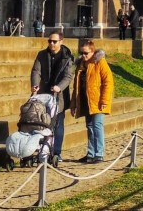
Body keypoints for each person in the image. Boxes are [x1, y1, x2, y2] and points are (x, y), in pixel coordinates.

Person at [30, 32, 74, 165]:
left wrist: (59, 87)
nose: (51, 44)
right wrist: (35, 85)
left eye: (54, 41)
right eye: (50, 41)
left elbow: (68, 76)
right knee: (41, 122)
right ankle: (41, 149)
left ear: (61, 41)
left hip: (58, 96)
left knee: (58, 123)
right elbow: (36, 71)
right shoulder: (42, 54)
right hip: (43, 94)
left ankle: (56, 152)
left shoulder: (67, 57)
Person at [70, 39, 113, 163]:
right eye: (81, 53)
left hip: (97, 100)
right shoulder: (80, 65)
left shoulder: (100, 62)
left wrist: (104, 99)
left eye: (86, 53)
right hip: (84, 100)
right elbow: (76, 86)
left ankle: (99, 153)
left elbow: (108, 82)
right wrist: (73, 104)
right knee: (89, 127)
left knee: (97, 126)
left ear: (93, 52)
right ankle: (91, 153)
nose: (83, 56)